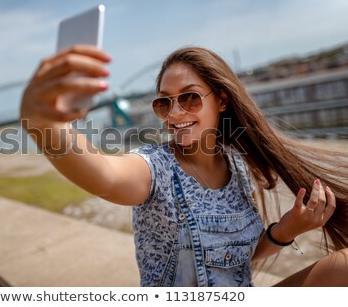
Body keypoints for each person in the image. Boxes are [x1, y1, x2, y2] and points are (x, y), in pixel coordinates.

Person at [20, 45, 348, 286]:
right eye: (164, 102)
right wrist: (42, 120)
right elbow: (105, 175)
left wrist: (287, 228)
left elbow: (233, 259)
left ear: (221, 100)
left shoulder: (236, 165)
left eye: (190, 98)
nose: (175, 114)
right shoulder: (156, 169)